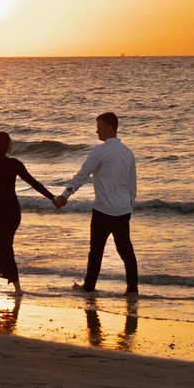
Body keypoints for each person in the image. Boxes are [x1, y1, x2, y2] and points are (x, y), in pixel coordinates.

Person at [57, 111, 139, 292]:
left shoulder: (100, 151)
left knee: (96, 252)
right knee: (126, 251)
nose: (97, 132)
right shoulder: (128, 153)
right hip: (123, 210)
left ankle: (89, 287)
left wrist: (65, 196)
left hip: (103, 210)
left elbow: (82, 175)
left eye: (100, 128)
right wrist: (130, 205)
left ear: (111, 128)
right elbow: (132, 186)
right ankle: (133, 289)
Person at [0, 130, 59, 287]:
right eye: (10, 142)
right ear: (4, 145)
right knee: (4, 246)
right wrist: (52, 198)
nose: (12, 145)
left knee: (0, 247)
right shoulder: (13, 164)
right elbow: (34, 183)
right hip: (13, 212)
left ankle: (17, 286)